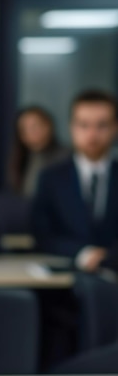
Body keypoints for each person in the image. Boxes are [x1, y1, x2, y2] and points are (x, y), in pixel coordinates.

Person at [33, 90, 118, 272]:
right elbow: (41, 235)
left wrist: (110, 257)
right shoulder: (50, 178)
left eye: (102, 125)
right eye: (84, 125)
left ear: (115, 127)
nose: (92, 134)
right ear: (72, 127)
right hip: (65, 281)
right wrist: (83, 253)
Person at [8, 105, 68, 197]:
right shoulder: (21, 159)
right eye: (25, 129)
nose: (31, 132)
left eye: (34, 126)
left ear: (48, 125)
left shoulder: (66, 157)